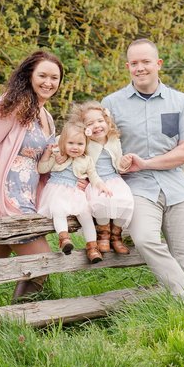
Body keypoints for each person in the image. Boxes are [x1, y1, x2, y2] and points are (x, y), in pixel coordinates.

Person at [102, 39, 184, 312]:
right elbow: (102, 149)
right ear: (128, 66)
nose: (140, 68)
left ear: (158, 64)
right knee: (145, 239)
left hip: (176, 186)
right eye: (134, 63)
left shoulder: (180, 101)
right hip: (137, 188)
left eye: (146, 62)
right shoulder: (111, 104)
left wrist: (147, 163)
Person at [0, 50, 63, 310]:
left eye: (55, 77)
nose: (48, 82)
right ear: (29, 75)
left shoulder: (46, 116)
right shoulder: (13, 102)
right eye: (42, 75)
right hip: (5, 194)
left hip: (27, 194)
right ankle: (22, 320)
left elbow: (41, 162)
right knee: (42, 260)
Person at [37, 120, 112, 263]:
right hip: (56, 190)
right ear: (63, 142)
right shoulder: (57, 156)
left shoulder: (87, 160)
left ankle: (92, 247)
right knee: (58, 210)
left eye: (80, 144)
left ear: (86, 145)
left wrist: (101, 185)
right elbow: (42, 169)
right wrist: (47, 154)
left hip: (76, 193)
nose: (75, 147)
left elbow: (94, 176)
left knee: (86, 216)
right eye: (71, 143)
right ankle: (64, 238)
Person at [68, 101, 134, 254]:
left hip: (115, 179)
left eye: (100, 121)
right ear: (84, 128)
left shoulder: (113, 140)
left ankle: (116, 236)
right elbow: (74, 155)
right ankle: (103, 235)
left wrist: (124, 163)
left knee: (126, 201)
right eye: (90, 123)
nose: (97, 125)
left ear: (107, 122)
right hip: (96, 182)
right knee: (100, 202)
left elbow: (118, 164)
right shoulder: (85, 143)